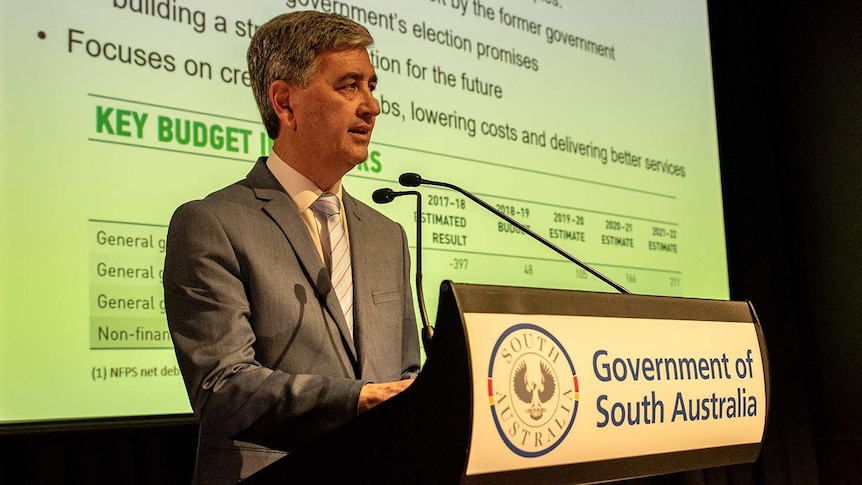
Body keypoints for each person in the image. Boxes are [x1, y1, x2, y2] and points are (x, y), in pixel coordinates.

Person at [163, 11, 420, 484]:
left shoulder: (388, 235)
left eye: (371, 85)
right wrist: (358, 400)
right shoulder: (211, 223)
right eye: (349, 86)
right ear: (285, 103)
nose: (372, 106)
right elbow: (223, 388)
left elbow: (405, 374)